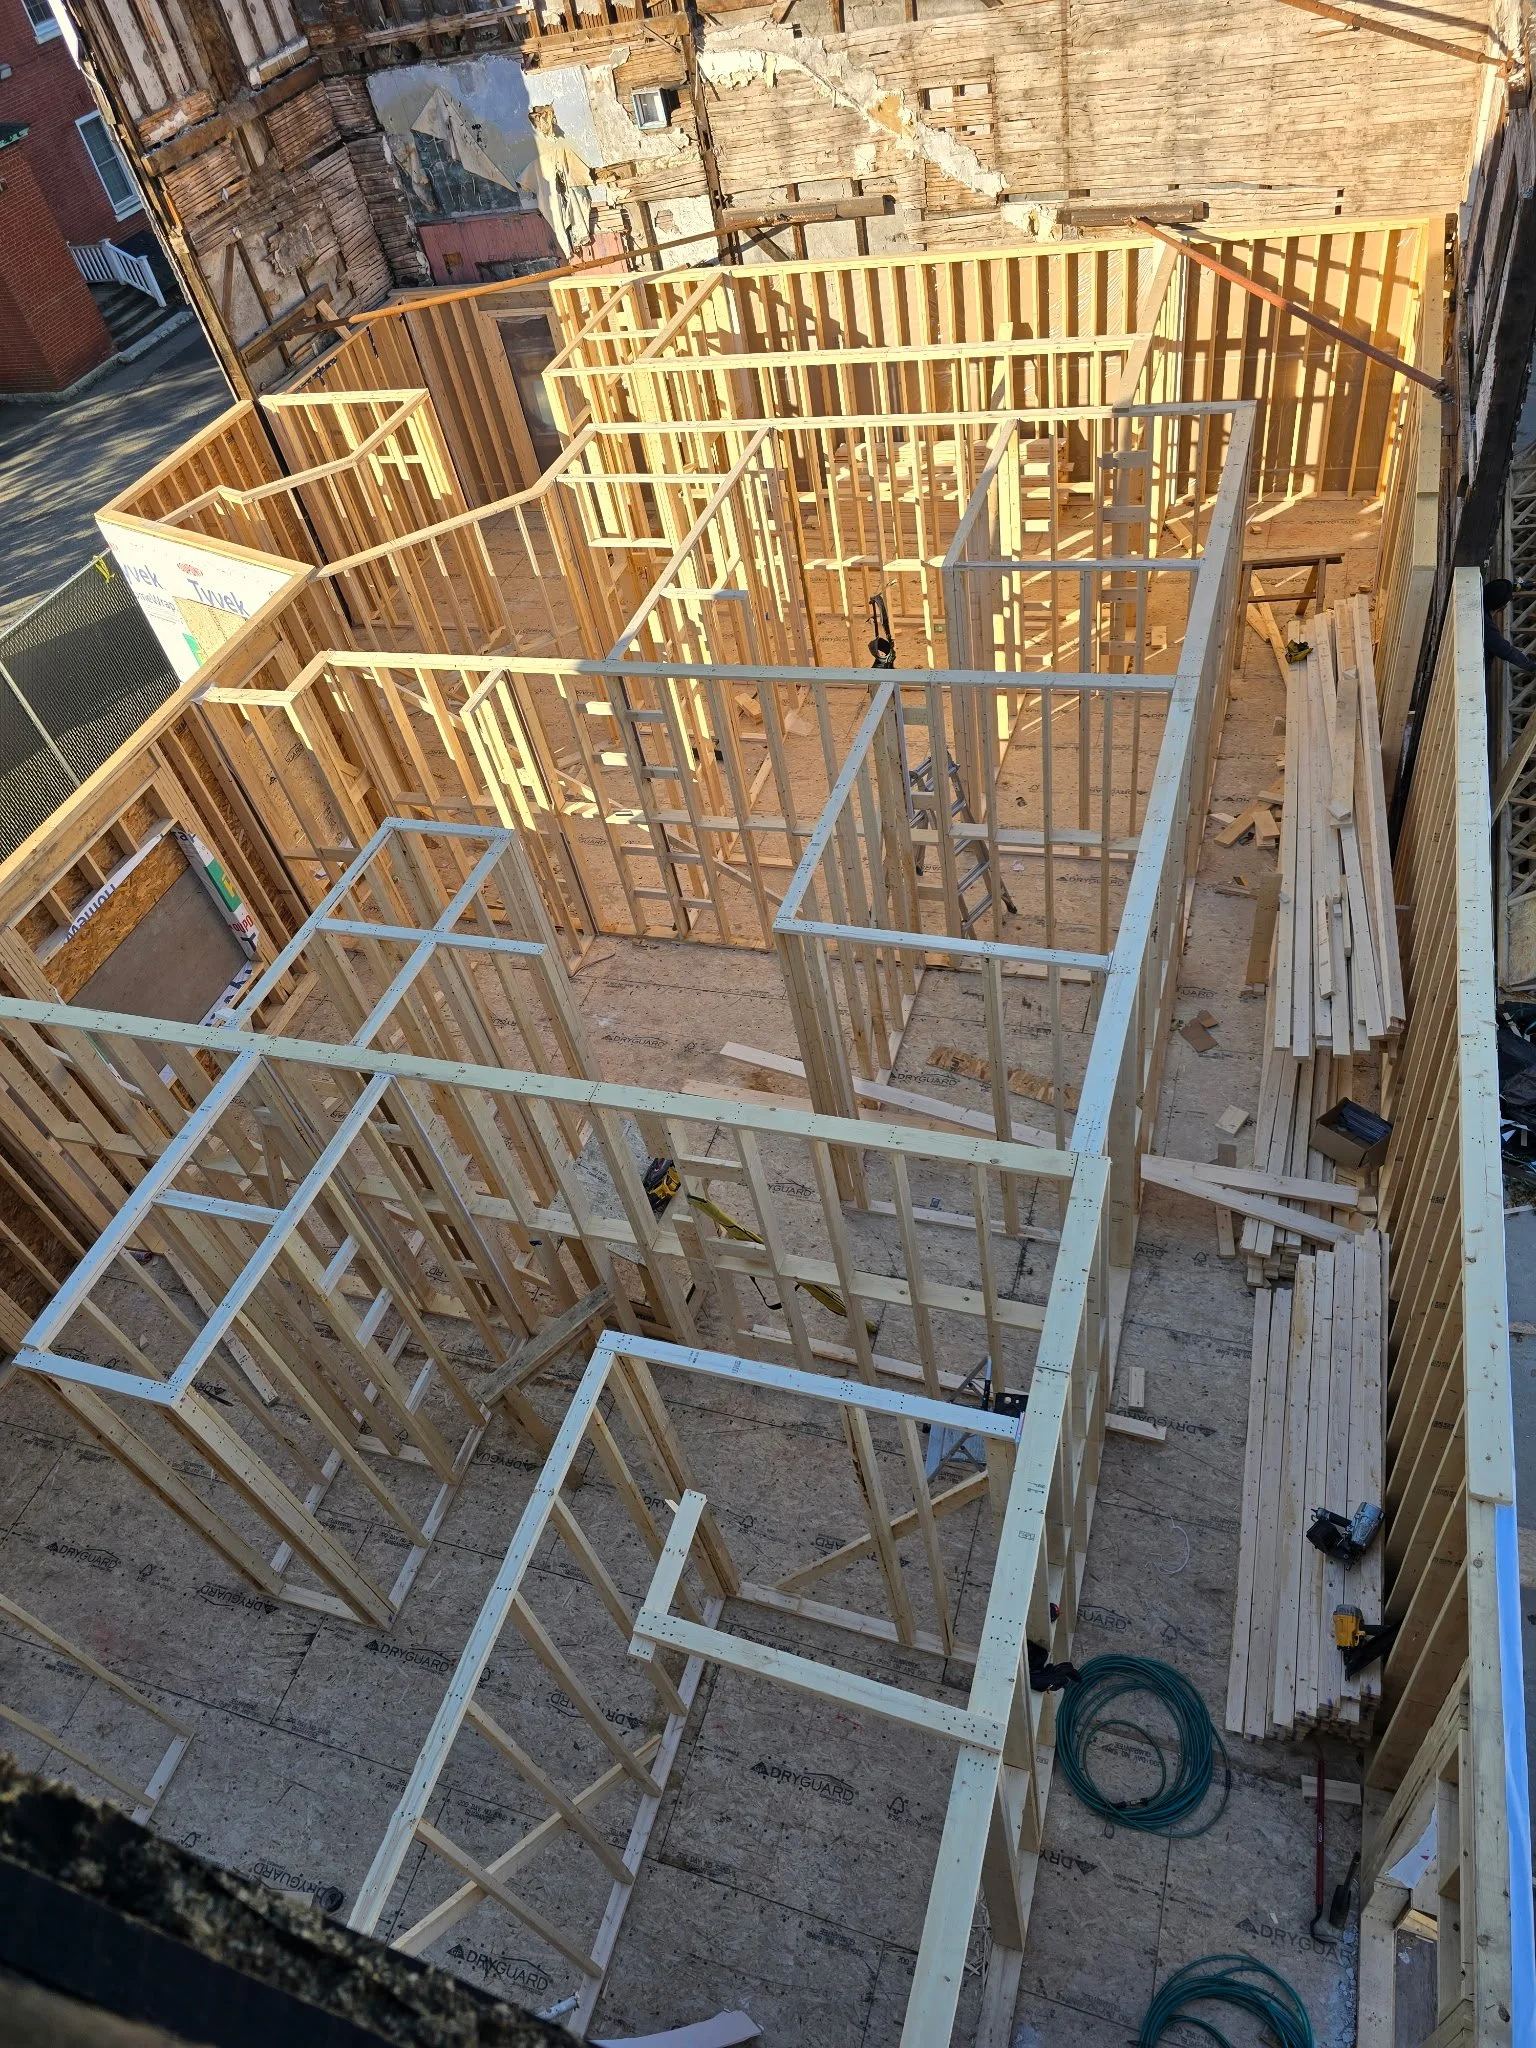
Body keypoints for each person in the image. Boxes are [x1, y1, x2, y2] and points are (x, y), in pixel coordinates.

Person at [1484, 577, 1536, 675]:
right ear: (1502, 607)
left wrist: (1518, 586)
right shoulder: (1488, 629)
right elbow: (1508, 652)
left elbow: (1496, 589)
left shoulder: (1480, 594)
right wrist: (1532, 667)